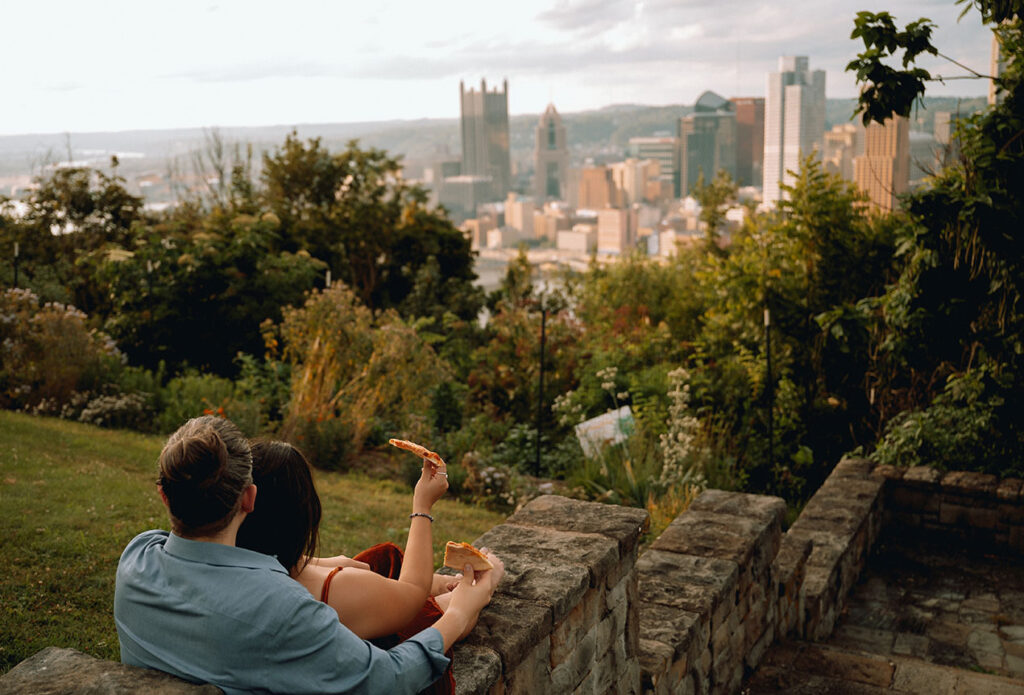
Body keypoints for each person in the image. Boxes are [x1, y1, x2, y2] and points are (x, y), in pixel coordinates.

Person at [114, 416, 498, 695]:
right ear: (249, 499)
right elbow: (388, 679)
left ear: (165, 495)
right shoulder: (282, 608)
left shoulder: (136, 560)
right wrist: (459, 613)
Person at [235, 440, 503, 694]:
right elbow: (412, 594)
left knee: (381, 558)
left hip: (356, 605)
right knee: (443, 608)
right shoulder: (335, 589)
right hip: (386, 645)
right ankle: (479, 585)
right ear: (305, 514)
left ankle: (448, 586)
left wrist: (433, 582)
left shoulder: (251, 560)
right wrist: (422, 506)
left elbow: (339, 567)